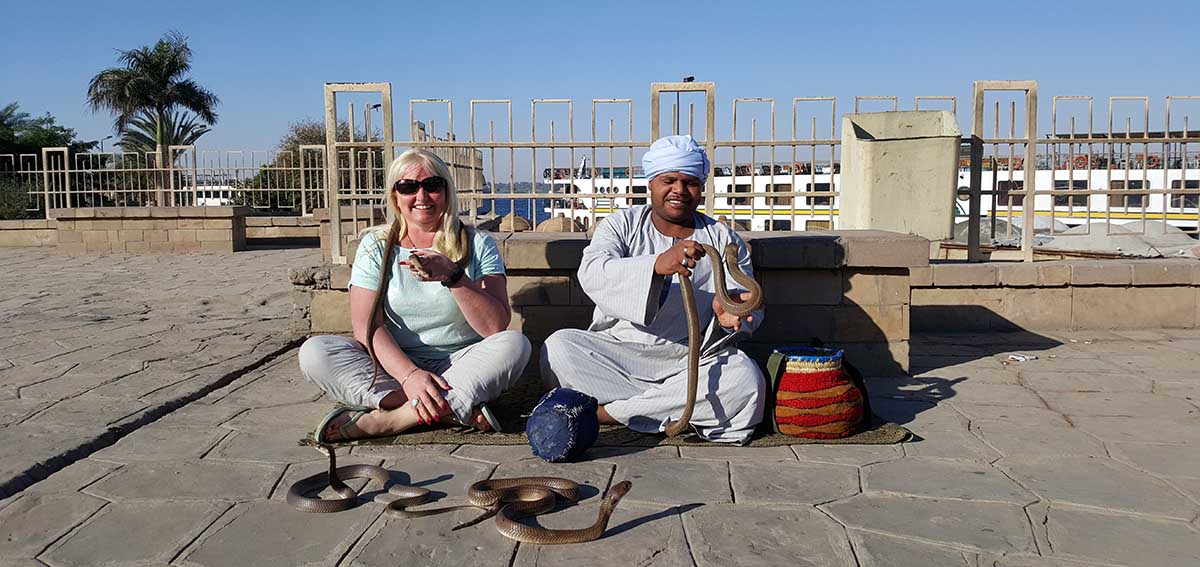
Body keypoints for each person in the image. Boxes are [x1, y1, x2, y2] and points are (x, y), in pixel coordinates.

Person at [540, 135, 766, 444]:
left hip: (689, 360)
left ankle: (607, 414)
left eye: (690, 182)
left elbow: (746, 302)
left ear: (701, 187)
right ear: (651, 183)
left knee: (744, 379)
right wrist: (656, 265)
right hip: (618, 355)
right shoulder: (621, 225)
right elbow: (592, 272)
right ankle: (673, 407)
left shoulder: (724, 239)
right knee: (558, 349)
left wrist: (732, 315)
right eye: (669, 180)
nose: (679, 190)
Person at [299, 149, 530, 441]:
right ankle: (451, 408)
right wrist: (409, 376)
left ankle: (396, 419)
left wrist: (453, 276)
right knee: (315, 353)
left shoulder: (477, 243)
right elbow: (368, 327)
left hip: (460, 362)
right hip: (394, 367)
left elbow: (494, 327)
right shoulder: (376, 246)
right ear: (395, 196)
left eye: (432, 185)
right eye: (408, 187)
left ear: (446, 192)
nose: (421, 196)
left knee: (514, 345)